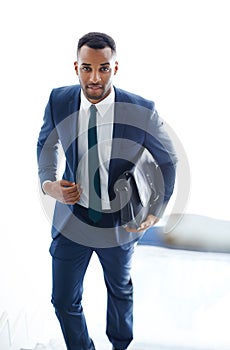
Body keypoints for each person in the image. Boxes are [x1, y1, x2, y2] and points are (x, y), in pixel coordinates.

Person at [37, 32, 177, 350]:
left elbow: (168, 161)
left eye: (104, 69)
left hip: (119, 221)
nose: (95, 78)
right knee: (62, 300)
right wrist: (49, 184)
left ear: (116, 68)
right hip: (72, 220)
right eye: (87, 68)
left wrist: (156, 209)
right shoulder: (59, 100)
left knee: (120, 292)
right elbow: (46, 144)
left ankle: (119, 346)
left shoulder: (141, 109)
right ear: (76, 67)